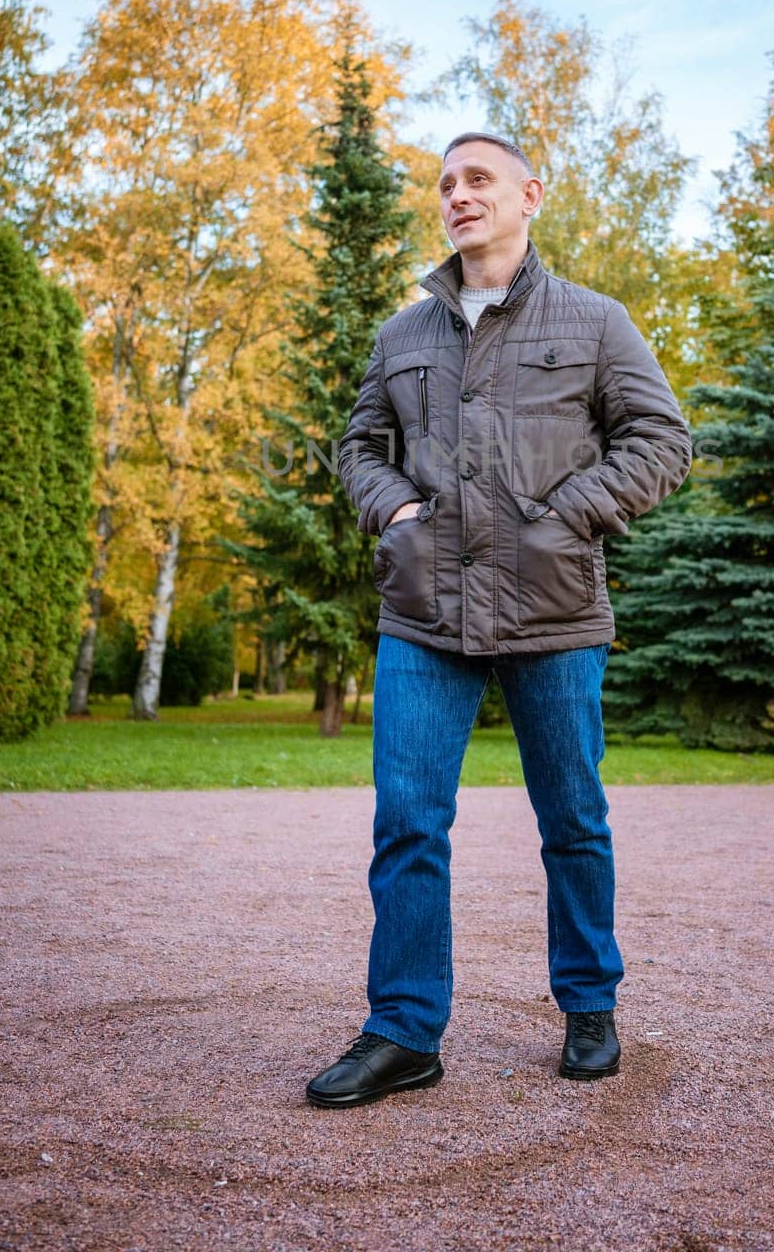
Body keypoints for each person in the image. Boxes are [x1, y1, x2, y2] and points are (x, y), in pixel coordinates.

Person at [305, 131, 692, 1109]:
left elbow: (660, 437)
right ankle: (402, 1031)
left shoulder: (595, 322)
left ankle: (588, 1005)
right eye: (444, 185)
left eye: (477, 180)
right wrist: (392, 510)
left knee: (570, 819)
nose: (457, 196)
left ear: (529, 195)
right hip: (422, 612)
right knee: (406, 823)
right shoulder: (401, 335)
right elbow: (359, 444)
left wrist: (568, 516)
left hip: (553, 612)